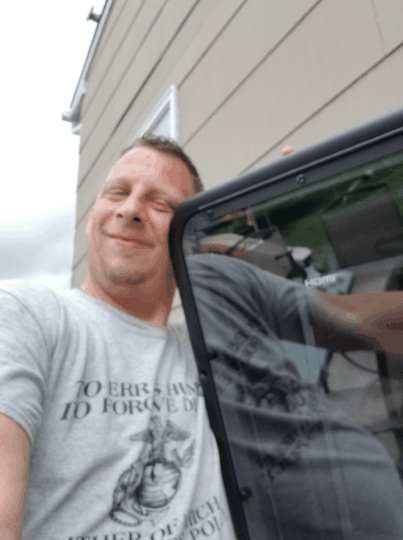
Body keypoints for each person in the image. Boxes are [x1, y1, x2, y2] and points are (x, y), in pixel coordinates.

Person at [0, 136, 402, 540]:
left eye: (161, 204)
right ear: (91, 219)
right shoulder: (27, 315)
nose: (130, 209)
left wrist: (323, 190)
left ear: (186, 235)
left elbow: (366, 322)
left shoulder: (216, 306)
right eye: (116, 192)